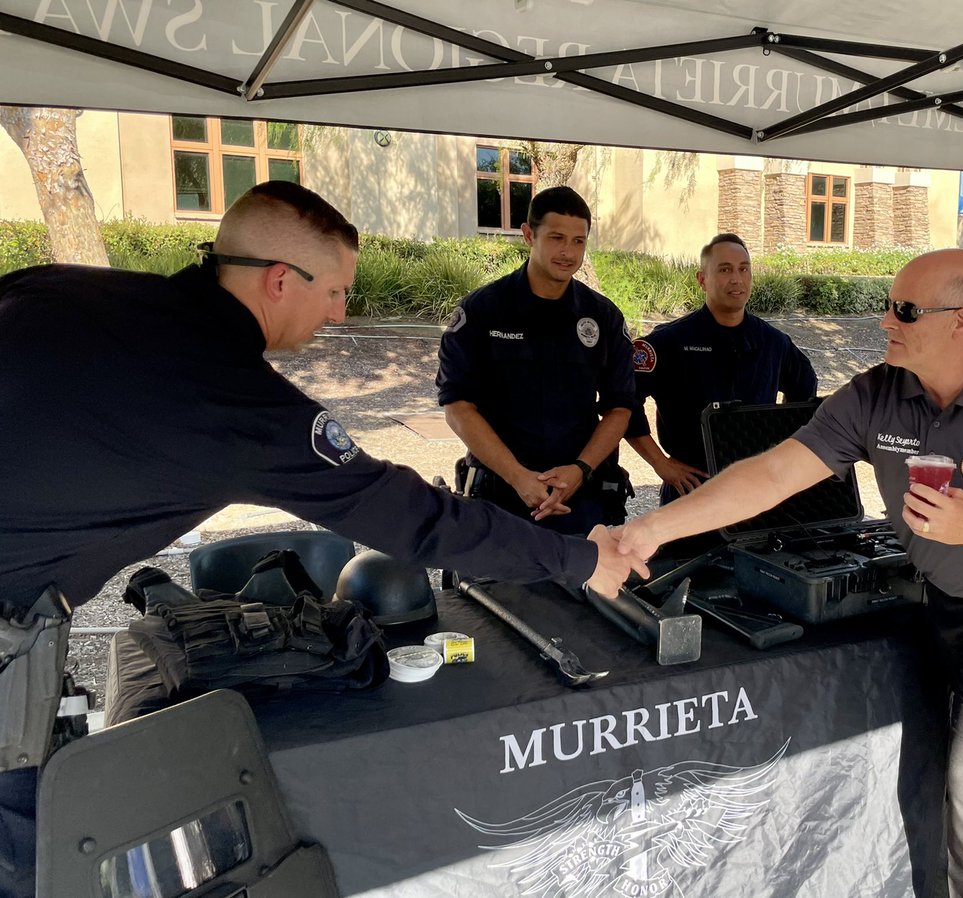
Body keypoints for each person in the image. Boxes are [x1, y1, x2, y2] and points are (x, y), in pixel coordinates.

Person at [0, 181, 646, 898]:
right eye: (336, 291)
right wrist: (579, 557)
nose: (340, 313)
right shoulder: (230, 396)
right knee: (25, 859)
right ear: (281, 280)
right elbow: (407, 514)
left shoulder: (56, 289)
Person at [615, 248, 963, 898]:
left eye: (903, 309)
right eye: (887, 304)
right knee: (955, 751)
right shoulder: (877, 393)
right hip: (933, 594)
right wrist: (648, 529)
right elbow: (771, 473)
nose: (884, 321)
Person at [436, 186, 635, 535]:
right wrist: (518, 477)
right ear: (529, 234)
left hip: (580, 497)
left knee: (587, 589)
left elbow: (620, 409)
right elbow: (457, 406)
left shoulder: (603, 318)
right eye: (557, 237)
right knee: (494, 590)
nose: (568, 252)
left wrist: (580, 470)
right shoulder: (482, 312)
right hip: (500, 496)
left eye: (578, 241)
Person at [625, 233, 817, 504]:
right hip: (691, 487)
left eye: (744, 269)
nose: (736, 279)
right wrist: (660, 463)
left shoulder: (773, 343)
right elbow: (624, 401)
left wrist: (780, 449)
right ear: (702, 279)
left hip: (754, 489)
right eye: (725, 269)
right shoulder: (669, 342)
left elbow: (804, 390)